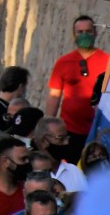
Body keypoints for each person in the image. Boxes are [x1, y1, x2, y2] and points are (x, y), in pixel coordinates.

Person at [45, 15, 106, 148]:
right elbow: (54, 96)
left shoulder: (107, 61)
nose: (84, 35)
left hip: (98, 131)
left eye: (88, 31)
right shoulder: (63, 63)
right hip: (69, 131)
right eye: (80, 32)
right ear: (74, 35)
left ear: (95, 33)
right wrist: (47, 127)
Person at [30, 117, 87, 193]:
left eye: (66, 138)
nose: (66, 143)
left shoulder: (74, 171)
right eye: (61, 138)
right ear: (44, 141)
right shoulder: (29, 173)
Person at [0, 137, 30, 215]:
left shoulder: (28, 190)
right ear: (6, 161)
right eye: (23, 159)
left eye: (28, 159)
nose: (27, 163)